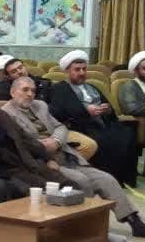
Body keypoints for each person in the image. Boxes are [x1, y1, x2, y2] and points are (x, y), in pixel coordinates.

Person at [3, 76, 145, 239]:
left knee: (106, 179)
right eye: (25, 90)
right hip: (45, 162)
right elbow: (20, 144)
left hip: (66, 155)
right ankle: (86, 227)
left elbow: (60, 127)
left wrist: (56, 140)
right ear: (13, 92)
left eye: (33, 91)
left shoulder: (40, 105)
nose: (30, 94)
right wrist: (42, 148)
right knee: (82, 181)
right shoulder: (6, 113)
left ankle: (135, 222)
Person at [48, 50, 139, 186]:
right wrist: (86, 111)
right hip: (80, 126)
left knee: (128, 133)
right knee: (106, 139)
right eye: (77, 69)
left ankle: (126, 179)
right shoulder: (60, 89)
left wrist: (107, 110)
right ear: (67, 71)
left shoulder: (92, 87)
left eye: (84, 69)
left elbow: (110, 109)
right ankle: (108, 180)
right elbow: (57, 114)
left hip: (102, 124)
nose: (82, 73)